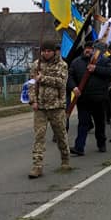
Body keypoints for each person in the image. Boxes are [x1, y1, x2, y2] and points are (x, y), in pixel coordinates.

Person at [28, 40, 70, 178]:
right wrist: (32, 100)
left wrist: (44, 78)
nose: (46, 53)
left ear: (54, 51)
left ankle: (65, 158)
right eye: (44, 51)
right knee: (39, 136)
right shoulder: (36, 65)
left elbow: (61, 83)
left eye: (48, 51)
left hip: (56, 106)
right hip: (40, 107)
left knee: (60, 134)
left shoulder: (62, 65)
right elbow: (31, 84)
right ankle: (37, 165)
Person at [68, 41, 111, 155]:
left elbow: (109, 73)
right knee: (83, 123)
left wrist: (96, 68)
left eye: (90, 48)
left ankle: (101, 143)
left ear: (95, 50)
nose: (88, 50)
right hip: (83, 99)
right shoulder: (76, 62)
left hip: (99, 99)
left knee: (99, 124)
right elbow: (70, 77)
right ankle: (79, 147)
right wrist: (74, 87)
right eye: (86, 48)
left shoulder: (103, 61)